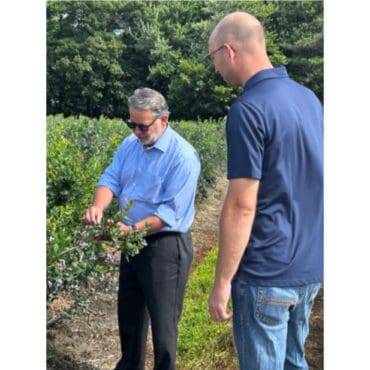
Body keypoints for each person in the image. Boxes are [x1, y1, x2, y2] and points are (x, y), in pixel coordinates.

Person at [207, 12, 323, 370]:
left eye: (212, 58)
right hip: (309, 270)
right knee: (294, 363)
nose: (215, 69)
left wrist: (222, 281)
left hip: (265, 274)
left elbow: (242, 205)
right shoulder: (309, 100)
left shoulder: (249, 109)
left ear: (229, 51)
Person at [83, 87, 201, 370]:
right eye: (132, 123)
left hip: (166, 246)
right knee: (130, 318)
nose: (137, 131)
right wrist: (98, 206)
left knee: (164, 325)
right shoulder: (129, 145)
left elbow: (169, 213)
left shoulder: (182, 157)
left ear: (164, 120)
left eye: (143, 125)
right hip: (132, 240)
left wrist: (130, 230)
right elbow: (111, 178)